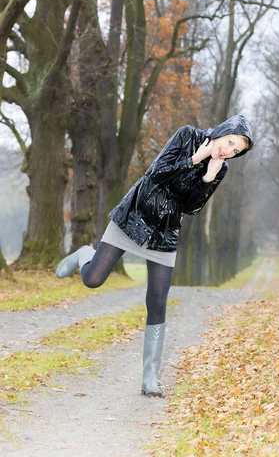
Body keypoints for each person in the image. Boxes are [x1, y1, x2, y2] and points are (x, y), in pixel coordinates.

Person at [56, 114, 253, 397]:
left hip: (165, 233)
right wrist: (195, 160)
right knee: (93, 279)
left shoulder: (220, 168)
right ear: (224, 131)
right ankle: (85, 254)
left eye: (235, 151)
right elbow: (156, 173)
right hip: (133, 215)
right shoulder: (187, 136)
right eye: (230, 142)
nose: (228, 151)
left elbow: (191, 207)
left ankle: (150, 378)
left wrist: (208, 176)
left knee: (157, 302)